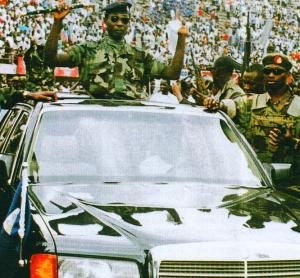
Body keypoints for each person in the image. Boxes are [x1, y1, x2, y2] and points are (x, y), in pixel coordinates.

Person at [44, 1, 188, 100]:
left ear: (128, 24)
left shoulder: (140, 55)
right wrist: (57, 22)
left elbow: (172, 73)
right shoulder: (87, 50)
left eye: (124, 20)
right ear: (105, 21)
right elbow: (51, 59)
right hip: (96, 114)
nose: (119, 23)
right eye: (114, 19)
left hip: (131, 116)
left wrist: (182, 38)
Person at [205, 53, 300, 183]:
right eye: (267, 71)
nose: (271, 75)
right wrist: (216, 104)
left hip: (293, 183)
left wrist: (292, 142)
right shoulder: (252, 102)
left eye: (277, 72)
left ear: (289, 78)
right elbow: (231, 106)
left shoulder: (298, 106)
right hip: (258, 179)